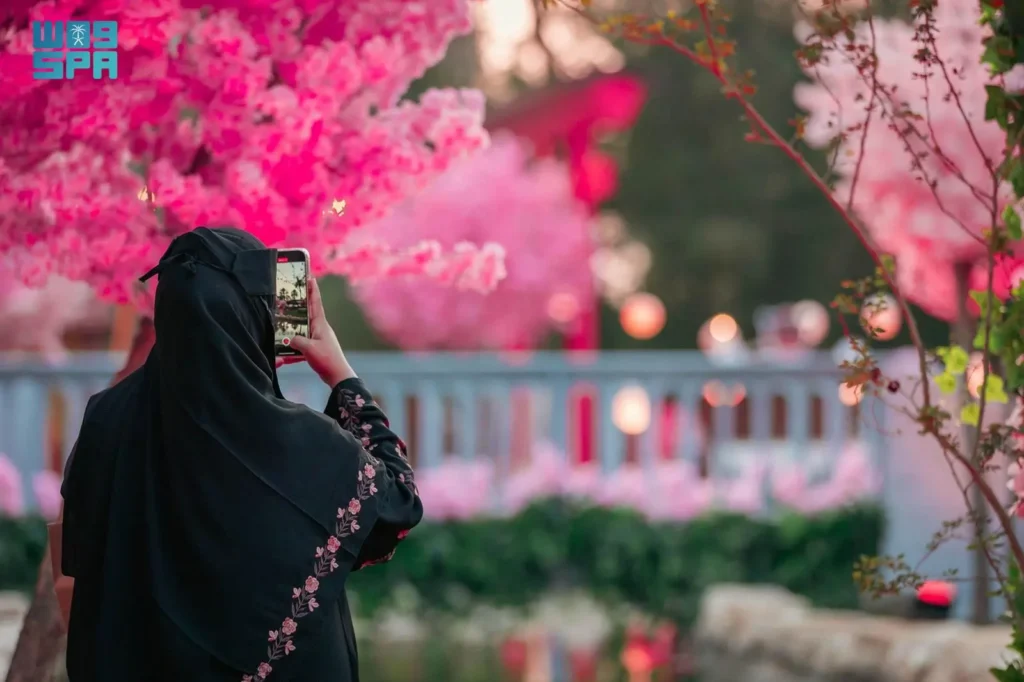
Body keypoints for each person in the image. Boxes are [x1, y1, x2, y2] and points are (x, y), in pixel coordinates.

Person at [59, 227, 422, 681]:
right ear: (258, 316)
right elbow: (399, 505)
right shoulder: (302, 443)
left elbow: (79, 558)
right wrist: (342, 374)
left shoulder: (106, 419)